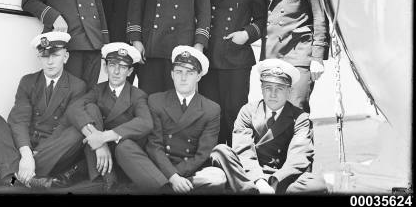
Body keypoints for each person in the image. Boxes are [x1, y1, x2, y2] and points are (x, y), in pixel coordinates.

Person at [0, 32, 88, 189]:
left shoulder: (77, 86)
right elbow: (18, 121)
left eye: (55, 55)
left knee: (77, 133)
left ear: (65, 57)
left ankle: (11, 174)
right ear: (39, 58)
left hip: (50, 150)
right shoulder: (28, 81)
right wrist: (26, 154)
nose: (50, 62)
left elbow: (64, 126)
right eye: (45, 56)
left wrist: (35, 155)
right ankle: (31, 179)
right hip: (24, 145)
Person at [210, 58, 327, 194]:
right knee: (220, 151)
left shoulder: (300, 118)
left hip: (281, 177)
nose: (273, 94)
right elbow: (243, 151)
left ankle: (249, 191)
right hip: (250, 175)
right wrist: (259, 181)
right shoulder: (248, 112)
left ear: (289, 91)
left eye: (279, 88)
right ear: (261, 89)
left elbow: (298, 157)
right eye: (268, 88)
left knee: (317, 185)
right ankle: (252, 189)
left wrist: (274, 182)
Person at [66, 42, 163, 193]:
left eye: (123, 67)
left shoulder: (137, 95)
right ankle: (105, 179)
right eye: (112, 65)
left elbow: (146, 123)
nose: (117, 71)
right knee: (89, 109)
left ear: (130, 71)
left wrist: (105, 136)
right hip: (99, 155)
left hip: (124, 157)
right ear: (105, 67)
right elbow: (74, 108)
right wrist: (99, 144)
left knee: (124, 148)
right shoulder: (98, 89)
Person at [200, 0, 267, 146]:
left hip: (236, 59)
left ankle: (237, 157)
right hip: (210, 58)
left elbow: (264, 20)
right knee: (211, 111)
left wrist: (247, 33)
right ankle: (214, 157)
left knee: (234, 112)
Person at [145, 46, 227, 194]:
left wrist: (176, 176)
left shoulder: (211, 109)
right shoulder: (156, 100)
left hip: (190, 170)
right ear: (172, 74)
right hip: (163, 166)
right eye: (178, 72)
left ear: (199, 76)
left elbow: (203, 154)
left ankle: (167, 188)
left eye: (190, 73)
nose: (183, 78)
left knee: (218, 178)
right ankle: (175, 187)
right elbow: (154, 146)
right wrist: (173, 177)